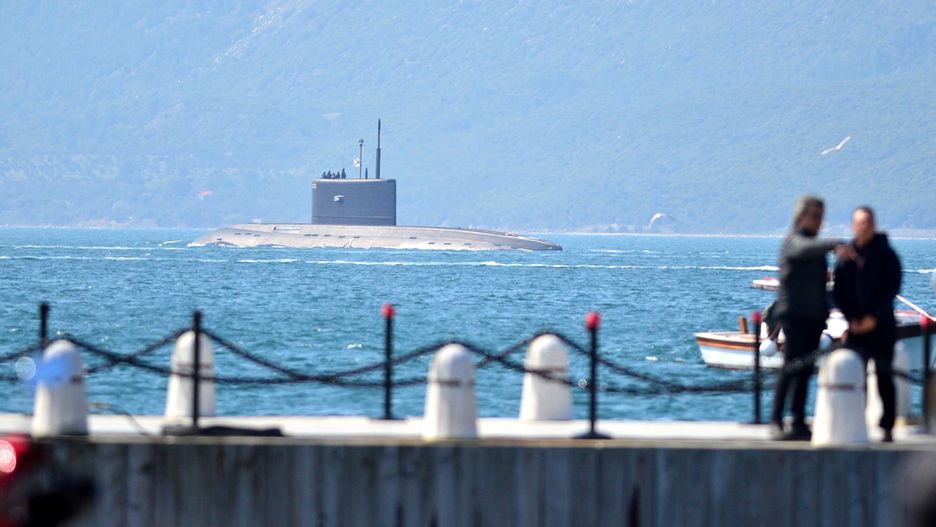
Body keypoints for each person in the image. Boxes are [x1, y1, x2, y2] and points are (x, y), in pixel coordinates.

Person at [771, 195, 854, 440]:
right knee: (790, 367)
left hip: (814, 317)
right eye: (815, 215)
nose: (819, 221)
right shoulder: (793, 241)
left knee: (806, 370)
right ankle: (776, 419)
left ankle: (797, 419)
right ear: (802, 216)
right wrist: (835, 243)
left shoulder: (816, 248)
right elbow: (802, 248)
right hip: (795, 316)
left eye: (821, 216)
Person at [833, 206, 902, 442]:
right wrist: (852, 319)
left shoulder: (887, 254)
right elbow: (839, 291)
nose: (864, 226)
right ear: (853, 225)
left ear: (874, 224)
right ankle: (854, 424)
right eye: (860, 222)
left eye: (868, 222)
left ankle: (887, 427)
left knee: (884, 376)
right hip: (855, 328)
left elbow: (891, 287)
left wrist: (873, 316)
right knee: (855, 377)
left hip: (882, 326)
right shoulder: (846, 257)